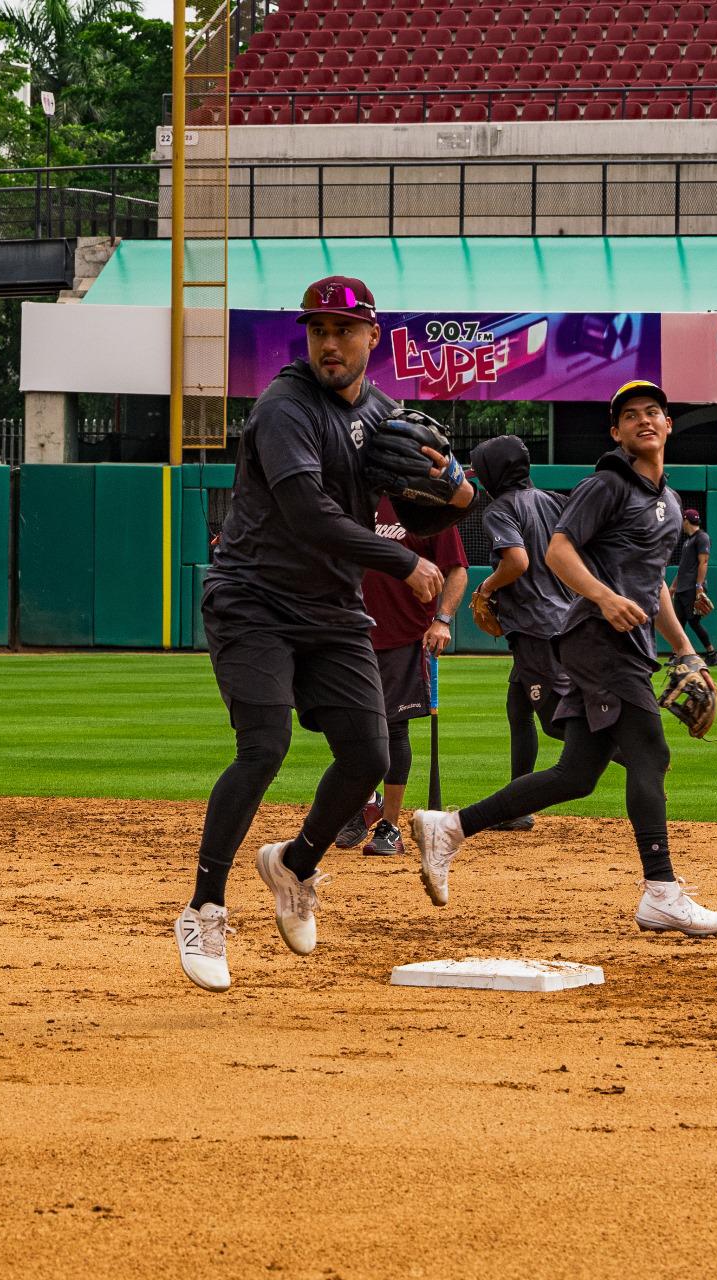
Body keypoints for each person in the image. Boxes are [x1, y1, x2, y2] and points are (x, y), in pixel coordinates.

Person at [174, 275, 478, 992]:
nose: (330, 342)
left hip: (332, 607)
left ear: (374, 336)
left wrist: (462, 497)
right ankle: (204, 908)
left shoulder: (381, 411)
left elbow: (415, 507)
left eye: (344, 329)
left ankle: (296, 865)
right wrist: (404, 561)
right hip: (253, 597)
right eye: (318, 330)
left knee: (369, 754)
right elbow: (310, 515)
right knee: (264, 746)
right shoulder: (284, 408)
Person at [410, 380, 717, 939]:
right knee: (650, 754)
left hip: (621, 644)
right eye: (630, 415)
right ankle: (661, 892)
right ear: (616, 432)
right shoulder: (606, 485)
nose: (644, 421)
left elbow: (653, 582)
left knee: (577, 773)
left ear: (669, 424)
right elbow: (557, 550)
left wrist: (685, 649)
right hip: (595, 641)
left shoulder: (668, 501)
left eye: (653, 412)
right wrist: (603, 597)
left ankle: (450, 828)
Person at [334, 495, 468, 856]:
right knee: (347, 726)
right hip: (351, 632)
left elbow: (457, 569)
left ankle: (390, 826)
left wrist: (442, 620)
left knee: (394, 728)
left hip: (404, 636)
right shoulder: (355, 496)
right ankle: (368, 797)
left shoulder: (426, 505)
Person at [469, 435, 575, 833]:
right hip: (563, 620)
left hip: (535, 626)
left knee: (553, 721)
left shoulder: (500, 509)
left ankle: (637, 755)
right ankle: (516, 805)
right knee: (519, 710)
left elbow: (516, 561)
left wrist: (487, 588)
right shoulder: (552, 500)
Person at [671, 508, 717, 667]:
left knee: (693, 622)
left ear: (686, 520)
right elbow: (683, 567)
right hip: (682, 588)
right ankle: (677, 655)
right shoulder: (688, 541)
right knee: (678, 622)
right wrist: (673, 586)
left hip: (692, 588)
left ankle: (712, 654)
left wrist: (699, 586)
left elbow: (704, 562)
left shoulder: (702, 537)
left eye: (682, 521)